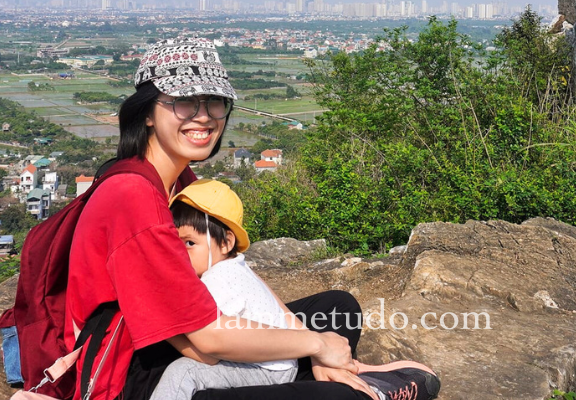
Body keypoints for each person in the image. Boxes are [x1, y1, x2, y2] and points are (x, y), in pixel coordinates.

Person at [65, 38, 438, 400]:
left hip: (187, 333)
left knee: (337, 307)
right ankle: (360, 389)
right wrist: (316, 343)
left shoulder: (178, 180)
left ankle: (333, 375)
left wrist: (311, 346)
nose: (203, 116)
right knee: (334, 387)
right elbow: (206, 340)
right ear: (146, 112)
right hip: (137, 371)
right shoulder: (132, 195)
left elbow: (233, 268)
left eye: (214, 102)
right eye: (183, 102)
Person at [150, 178, 440, 400]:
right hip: (280, 359)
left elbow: (209, 351)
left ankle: (362, 390)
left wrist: (165, 327)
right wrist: (316, 346)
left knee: (183, 372)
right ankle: (350, 376)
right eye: (176, 243)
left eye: (189, 243)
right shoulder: (235, 263)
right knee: (340, 306)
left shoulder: (214, 280)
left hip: (263, 368)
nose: (180, 252)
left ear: (225, 242)